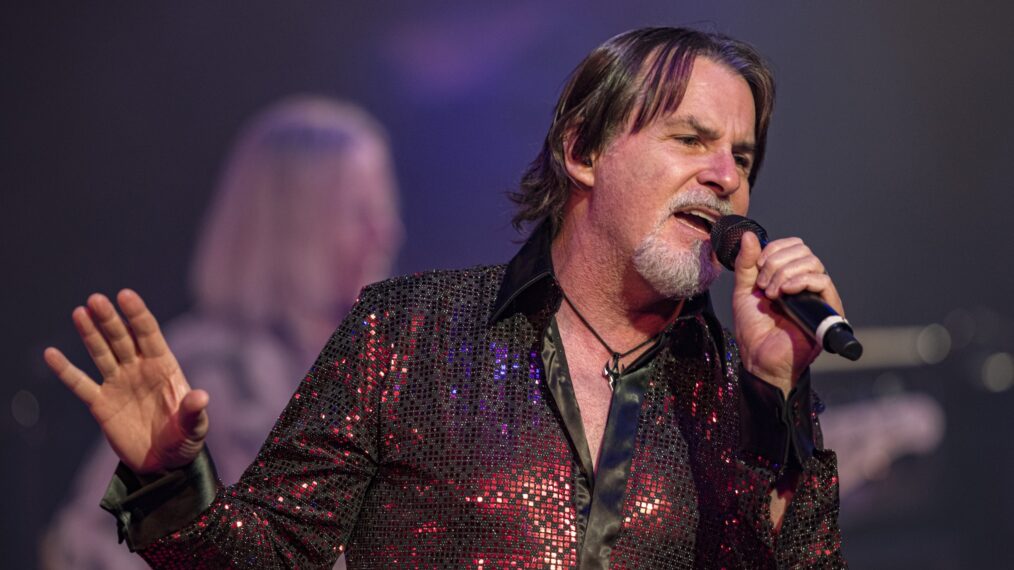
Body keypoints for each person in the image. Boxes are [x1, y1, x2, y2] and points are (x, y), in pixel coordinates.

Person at [45, 28, 846, 568]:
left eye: (741, 156)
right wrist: (169, 479)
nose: (725, 176)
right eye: (690, 139)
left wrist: (777, 396)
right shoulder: (408, 332)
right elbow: (267, 555)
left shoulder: (735, 383)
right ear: (584, 151)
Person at [42, 96, 402, 570]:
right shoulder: (210, 366)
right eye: (358, 211)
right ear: (291, 226)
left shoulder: (387, 365)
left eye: (385, 207)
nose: (385, 231)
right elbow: (92, 550)